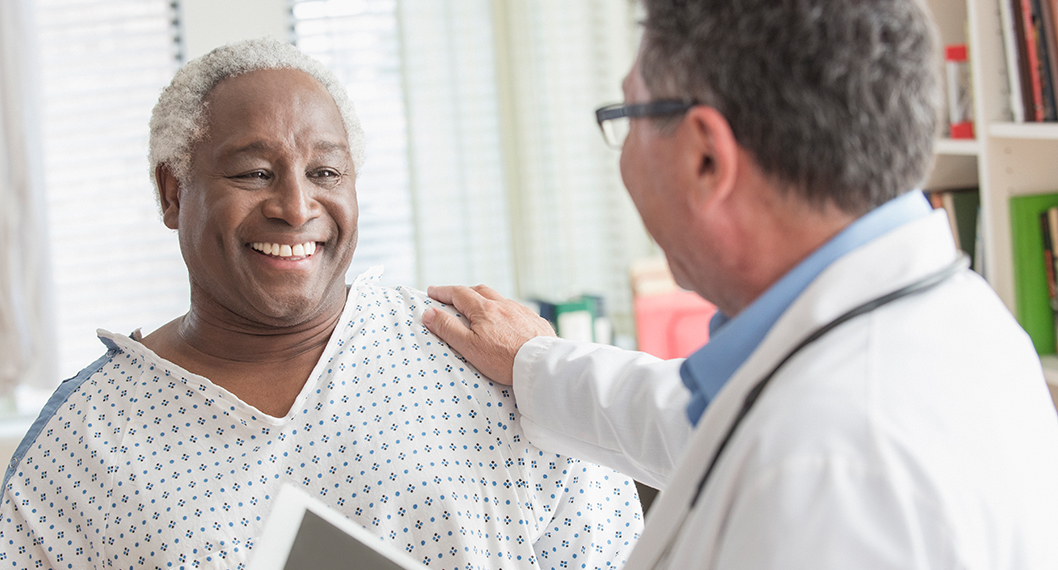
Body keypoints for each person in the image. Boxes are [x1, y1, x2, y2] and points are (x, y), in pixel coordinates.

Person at [422, 0, 1058, 567]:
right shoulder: (950, 323)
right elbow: (703, 418)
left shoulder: (831, 469)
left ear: (706, 157)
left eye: (628, 116)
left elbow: (776, 439)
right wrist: (536, 364)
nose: (622, 153)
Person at [0, 38, 642, 570]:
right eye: (253, 173)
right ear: (173, 192)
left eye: (326, 174)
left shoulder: (490, 368)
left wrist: (545, 368)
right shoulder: (81, 446)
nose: (297, 207)